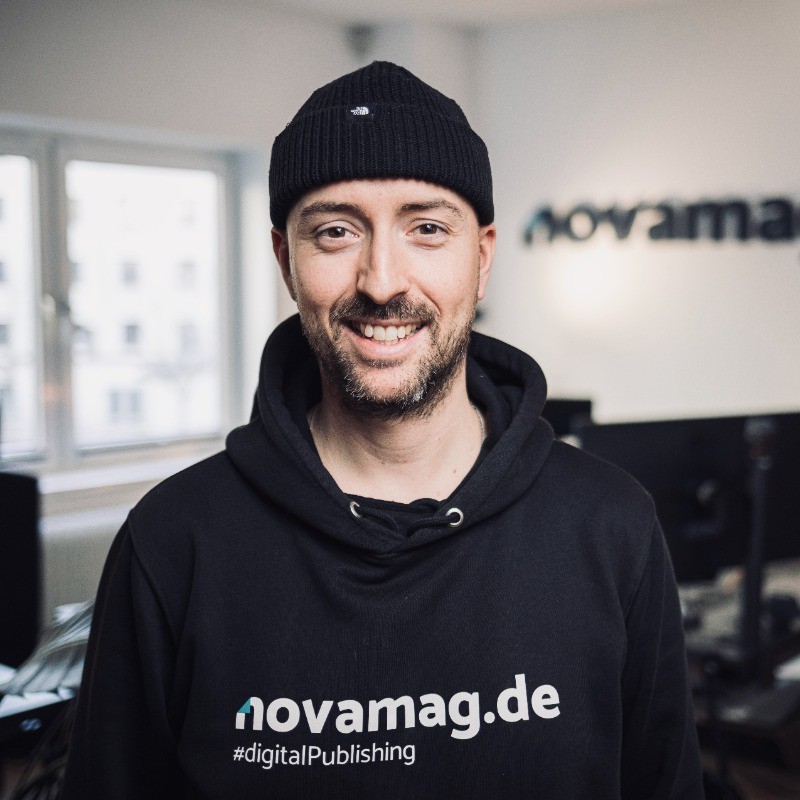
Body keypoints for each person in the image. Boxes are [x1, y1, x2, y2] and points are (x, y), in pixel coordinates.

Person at [62, 61, 703, 798]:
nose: (382, 281)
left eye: (426, 228)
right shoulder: (175, 541)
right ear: (286, 261)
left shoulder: (611, 525)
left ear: (481, 257)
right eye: (335, 232)